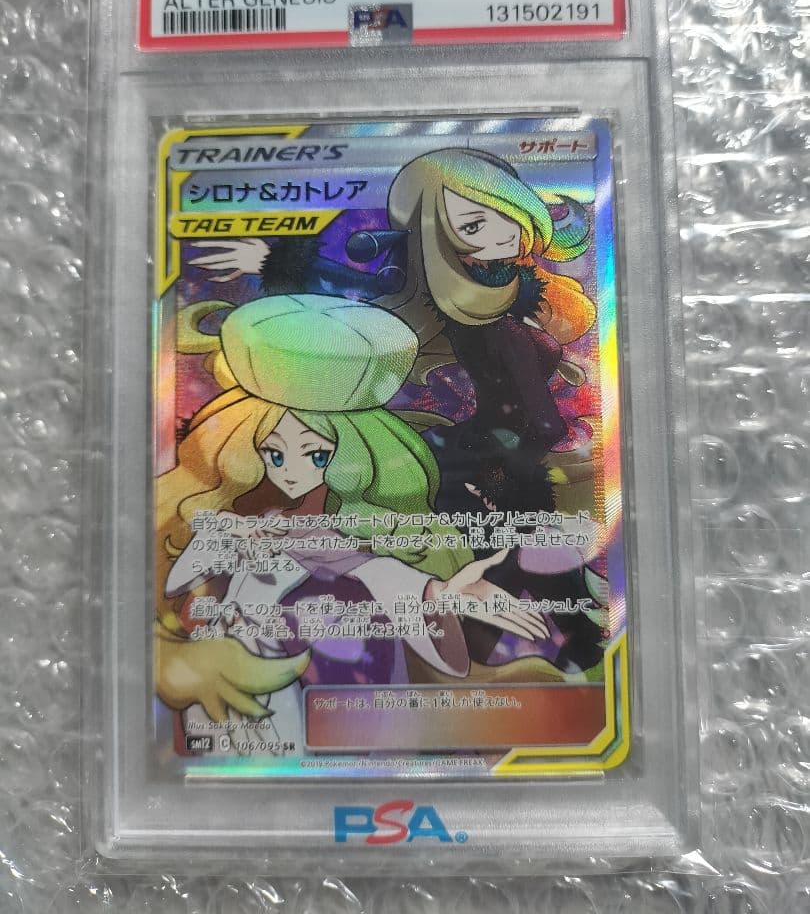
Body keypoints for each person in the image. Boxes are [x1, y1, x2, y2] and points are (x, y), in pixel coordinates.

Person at [188, 149, 603, 671]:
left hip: (502, 458)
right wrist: (279, 263)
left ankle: (547, 645)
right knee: (500, 558)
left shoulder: (513, 286)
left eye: (507, 214)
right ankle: (505, 649)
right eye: (473, 226)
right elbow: (367, 290)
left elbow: (539, 402)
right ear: (437, 235)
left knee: (519, 555)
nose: (500, 235)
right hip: (482, 461)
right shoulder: (451, 301)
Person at [156, 293, 550, 750]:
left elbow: (377, 571)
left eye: (316, 455)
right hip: (225, 692)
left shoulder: (344, 535)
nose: (290, 470)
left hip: (313, 696)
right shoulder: (239, 524)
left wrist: (442, 593)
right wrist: (232, 533)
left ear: (355, 457)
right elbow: (178, 579)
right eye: (274, 454)